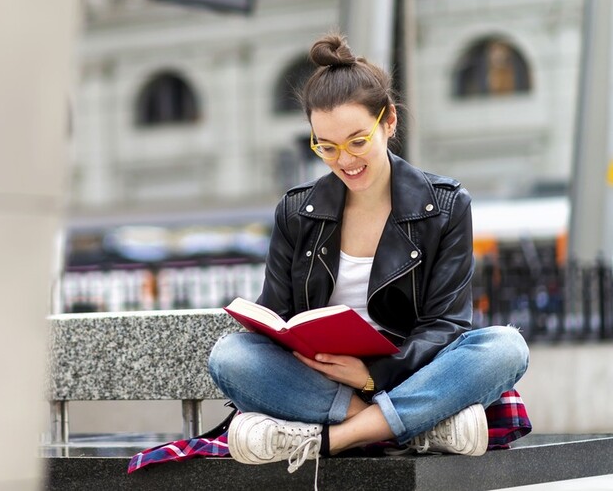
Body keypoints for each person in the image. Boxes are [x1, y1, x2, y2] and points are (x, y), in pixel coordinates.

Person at [207, 33, 530, 477]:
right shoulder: (296, 211)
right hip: (322, 379)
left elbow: (448, 325)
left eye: (358, 141)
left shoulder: (447, 206)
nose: (345, 160)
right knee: (230, 357)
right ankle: (412, 429)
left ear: (389, 122)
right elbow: (276, 315)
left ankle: (336, 437)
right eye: (327, 146)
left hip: (410, 371)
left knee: (505, 347)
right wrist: (280, 333)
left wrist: (370, 375)